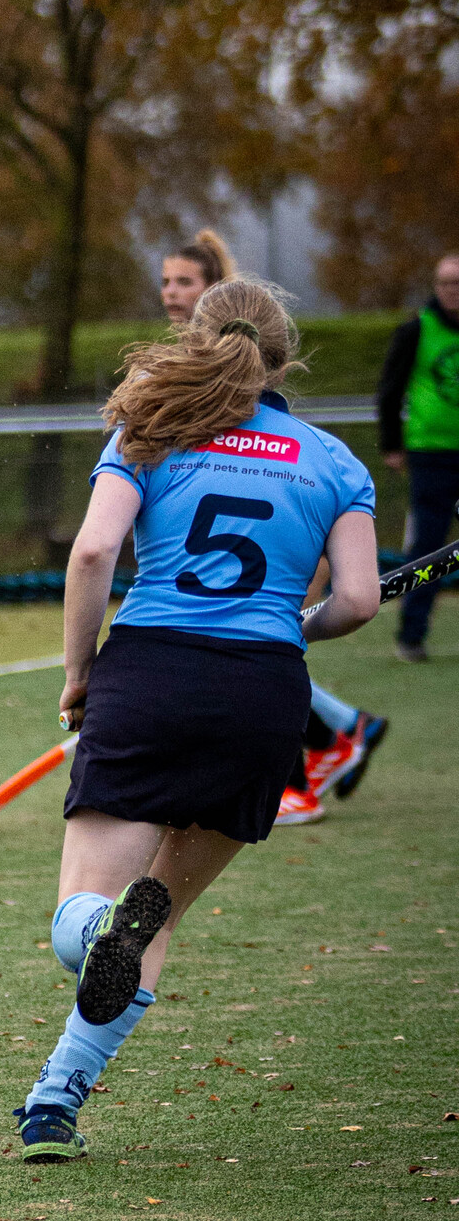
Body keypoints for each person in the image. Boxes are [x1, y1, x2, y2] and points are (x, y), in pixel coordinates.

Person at [15, 278, 380, 1158]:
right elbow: (360, 601)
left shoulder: (150, 430)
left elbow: (96, 550)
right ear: (286, 357)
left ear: (194, 337)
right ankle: (56, 1099)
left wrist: (79, 672)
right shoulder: (334, 461)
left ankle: (98, 938)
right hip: (263, 693)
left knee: (87, 912)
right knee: (161, 916)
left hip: (150, 673)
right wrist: (300, 624)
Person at [158, 232, 383, 818]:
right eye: (166, 282)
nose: (171, 294)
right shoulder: (181, 380)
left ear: (217, 299)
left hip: (252, 565)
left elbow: (294, 492)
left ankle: (303, 772)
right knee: (252, 658)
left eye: (184, 283)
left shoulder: (268, 416)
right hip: (202, 581)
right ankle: (343, 730)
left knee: (253, 658)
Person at [379, 250, 459, 664]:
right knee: (428, 549)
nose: (453, 292)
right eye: (446, 284)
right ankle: (411, 635)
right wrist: (393, 444)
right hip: (431, 456)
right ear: (436, 287)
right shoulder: (417, 330)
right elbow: (390, 389)